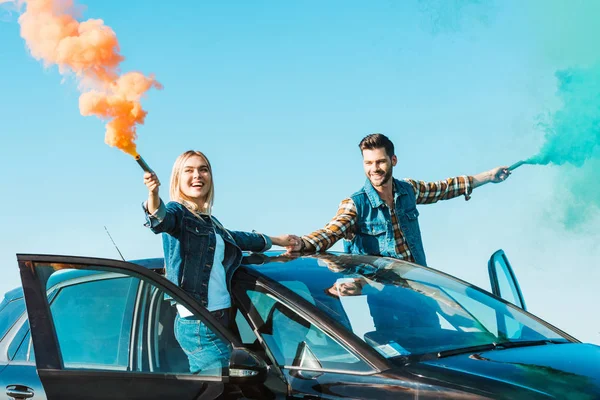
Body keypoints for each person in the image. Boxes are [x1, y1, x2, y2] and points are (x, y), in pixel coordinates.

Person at [143, 150, 300, 374]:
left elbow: (238, 238)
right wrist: (153, 194)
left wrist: (276, 239)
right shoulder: (178, 213)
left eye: (203, 169)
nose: (197, 175)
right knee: (225, 387)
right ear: (177, 179)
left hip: (223, 317)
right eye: (189, 170)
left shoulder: (210, 222)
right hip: (199, 322)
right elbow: (160, 219)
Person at [288, 133, 510, 266]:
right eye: (368, 163)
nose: (374, 169)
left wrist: (489, 176)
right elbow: (330, 232)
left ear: (393, 160)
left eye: (380, 162)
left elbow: (445, 188)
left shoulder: (408, 190)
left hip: (421, 289)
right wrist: (304, 243)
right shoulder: (355, 204)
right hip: (386, 300)